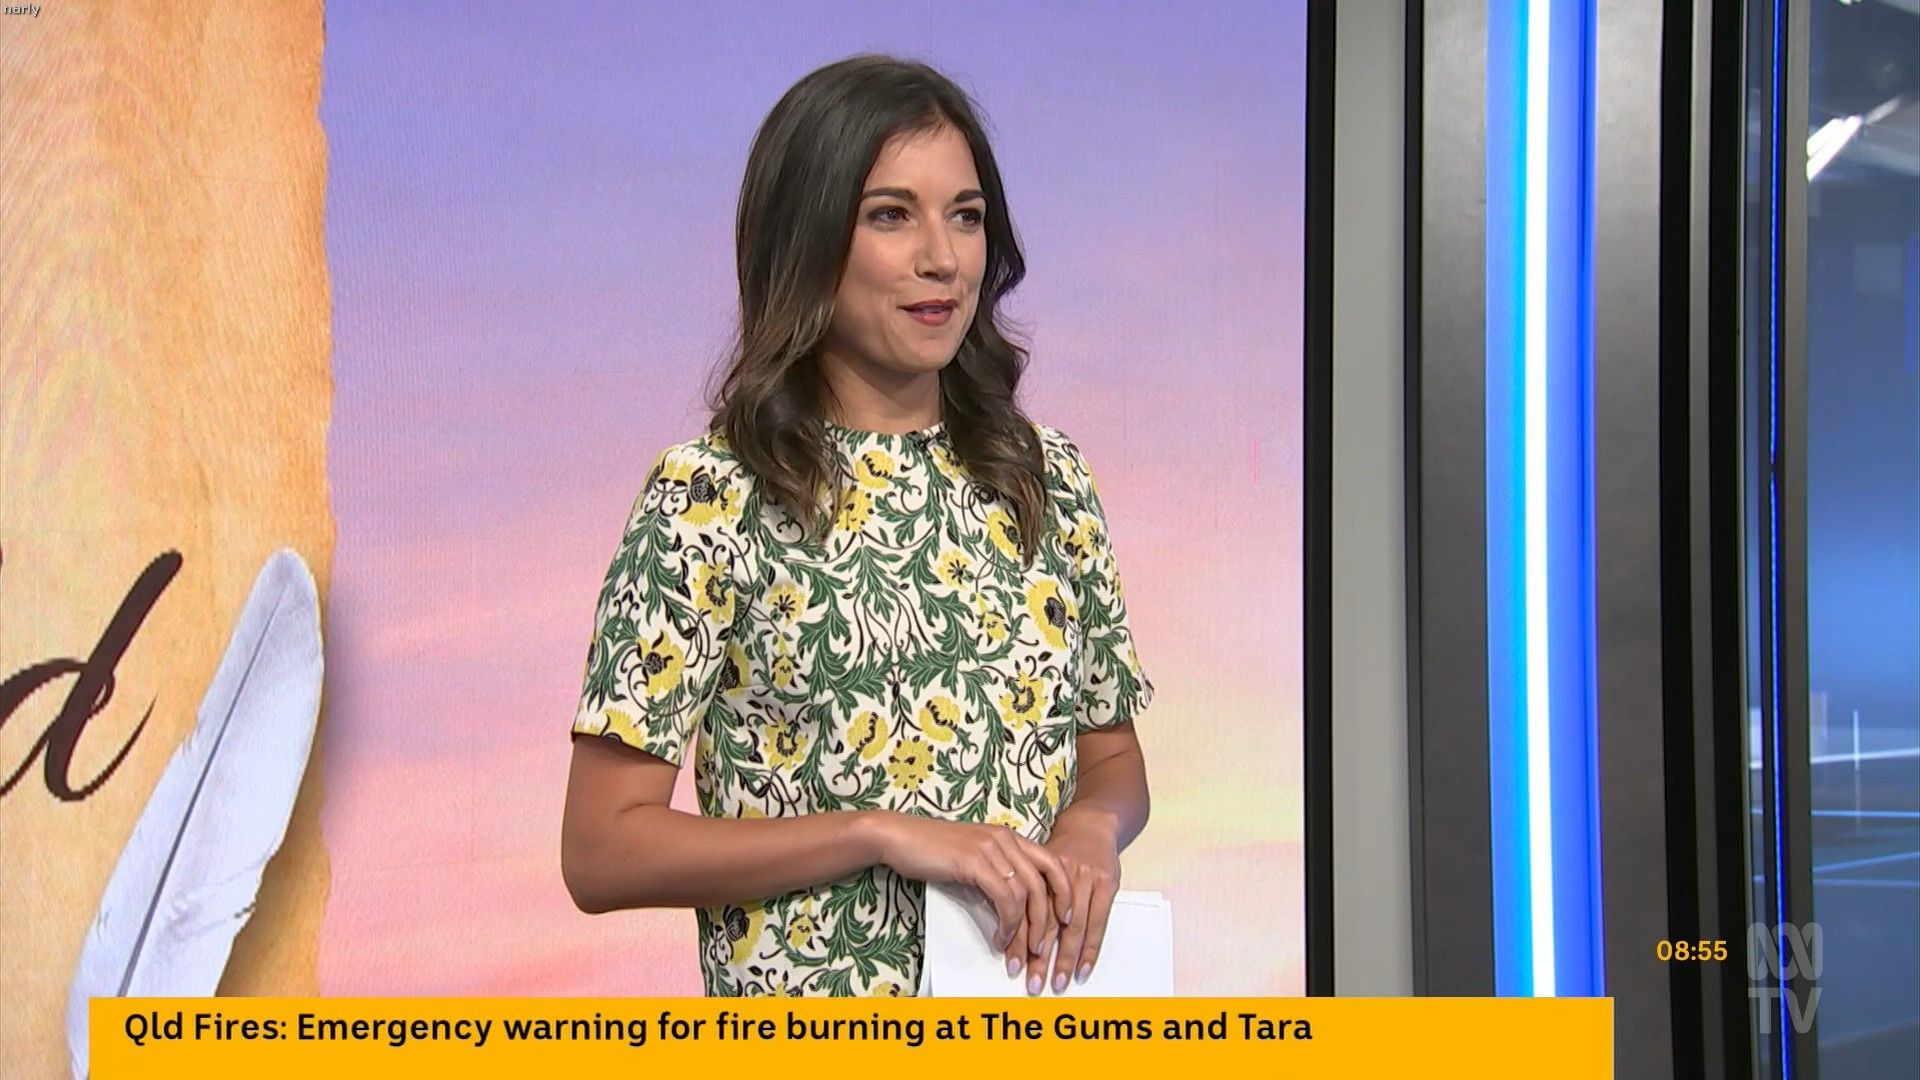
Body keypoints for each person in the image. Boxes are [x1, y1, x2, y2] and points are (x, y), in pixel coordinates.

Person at [560, 54, 1153, 998]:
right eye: (891, 215)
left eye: (966, 215)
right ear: (806, 238)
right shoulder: (712, 496)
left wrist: (1092, 828)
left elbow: (1112, 760)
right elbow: (601, 850)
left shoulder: (1047, 479)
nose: (942, 257)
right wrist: (877, 834)